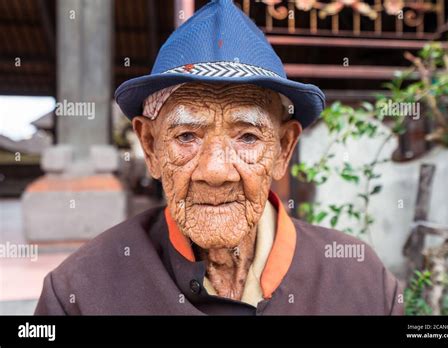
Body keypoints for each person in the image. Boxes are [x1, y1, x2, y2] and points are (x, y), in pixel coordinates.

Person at [35, 0, 403, 315]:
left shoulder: (362, 282)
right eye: (187, 136)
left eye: (246, 136)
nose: (215, 171)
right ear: (150, 146)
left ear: (283, 149)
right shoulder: (80, 292)